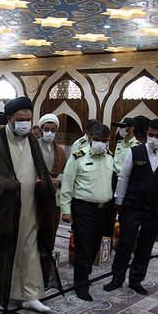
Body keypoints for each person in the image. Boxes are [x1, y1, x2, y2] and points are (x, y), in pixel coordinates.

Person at [0, 96, 59, 312]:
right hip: (3, 209)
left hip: (29, 206)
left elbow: (41, 170)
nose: (25, 123)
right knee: (3, 251)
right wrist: (7, 184)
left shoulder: (32, 141)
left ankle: (30, 294)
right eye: (20, 119)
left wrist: (42, 183)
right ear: (9, 119)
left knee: (29, 248)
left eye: (28, 119)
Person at [104, 119, 158, 294]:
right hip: (132, 206)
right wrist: (119, 201)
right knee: (125, 242)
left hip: (156, 209)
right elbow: (124, 178)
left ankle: (136, 280)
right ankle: (117, 278)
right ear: (147, 133)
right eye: (151, 135)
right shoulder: (135, 151)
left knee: (146, 245)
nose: (154, 138)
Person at [61, 123, 114, 301]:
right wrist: (66, 210)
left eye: (104, 140)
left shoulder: (110, 157)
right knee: (83, 248)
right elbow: (67, 184)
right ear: (90, 138)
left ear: (108, 141)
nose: (100, 143)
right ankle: (81, 284)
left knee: (94, 245)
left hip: (103, 209)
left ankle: (85, 273)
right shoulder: (78, 157)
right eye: (97, 139)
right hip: (83, 208)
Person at [37, 113, 67, 244]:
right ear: (41, 130)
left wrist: (58, 180)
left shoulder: (60, 151)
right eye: (47, 129)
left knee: (51, 224)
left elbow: (64, 170)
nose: (50, 133)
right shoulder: (33, 147)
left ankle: (48, 251)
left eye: (53, 130)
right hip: (36, 191)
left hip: (53, 193)